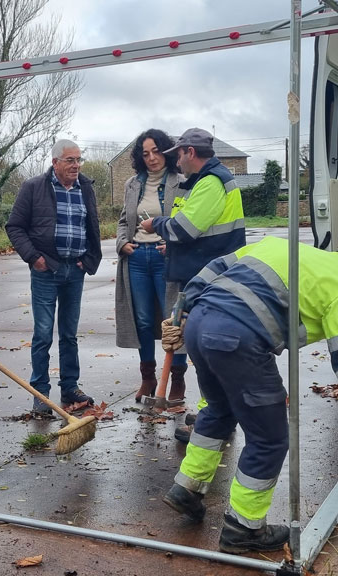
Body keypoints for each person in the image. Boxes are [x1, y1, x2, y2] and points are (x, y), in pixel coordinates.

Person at [159, 238, 338, 553]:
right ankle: (244, 527)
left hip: (200, 326)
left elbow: (215, 267)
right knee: (269, 437)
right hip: (237, 339)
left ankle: (187, 489)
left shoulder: (279, 245)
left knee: (218, 410)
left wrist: (181, 313)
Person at [139, 128, 246, 439]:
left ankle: (212, 417)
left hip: (210, 277)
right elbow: (195, 231)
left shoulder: (211, 183)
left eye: (178, 155)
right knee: (205, 347)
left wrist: (155, 225)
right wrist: (171, 247)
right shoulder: (205, 181)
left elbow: (184, 228)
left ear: (189, 152)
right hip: (205, 273)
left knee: (208, 348)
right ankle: (213, 412)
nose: (176, 162)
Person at [6, 139, 102, 415]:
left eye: (78, 160)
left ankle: (70, 387)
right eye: (70, 160)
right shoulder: (34, 187)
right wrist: (34, 258)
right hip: (46, 270)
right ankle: (40, 393)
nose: (76, 165)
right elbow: (14, 227)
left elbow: (91, 225)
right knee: (43, 334)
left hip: (76, 270)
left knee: (69, 334)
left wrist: (89, 260)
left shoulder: (85, 187)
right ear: (55, 162)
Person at [115, 129, 188, 402]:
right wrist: (122, 242)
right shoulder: (132, 184)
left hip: (166, 258)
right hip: (136, 259)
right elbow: (125, 220)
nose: (152, 158)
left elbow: (188, 221)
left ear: (166, 151)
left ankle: (177, 380)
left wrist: (176, 244)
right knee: (143, 321)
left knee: (174, 321)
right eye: (145, 154)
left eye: (156, 151)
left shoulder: (181, 182)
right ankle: (148, 378)